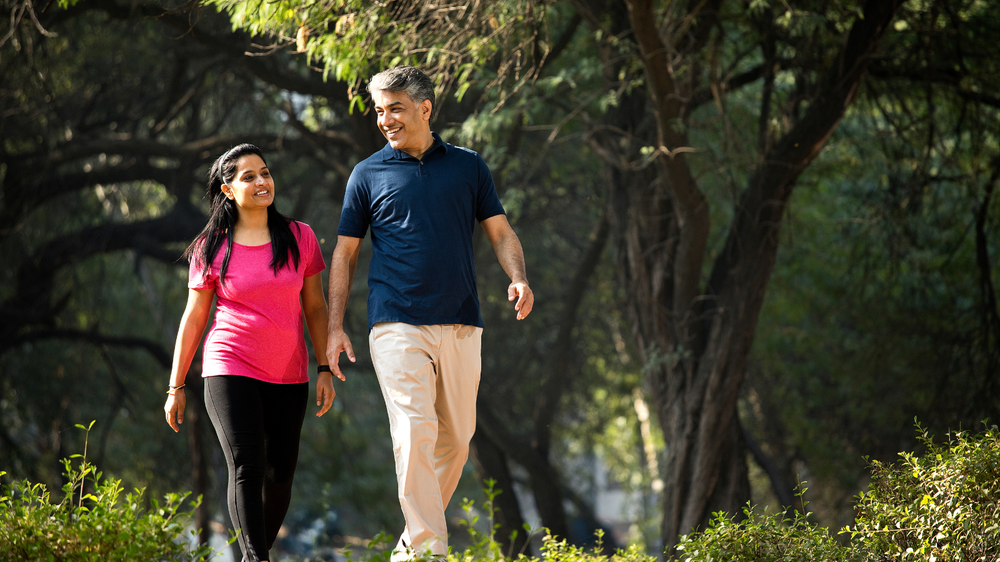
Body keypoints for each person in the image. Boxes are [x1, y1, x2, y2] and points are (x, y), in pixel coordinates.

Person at [326, 65, 534, 561]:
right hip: (395, 322)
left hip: (462, 322)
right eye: (379, 110)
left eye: (394, 107)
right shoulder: (367, 174)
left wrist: (519, 277)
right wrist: (334, 326)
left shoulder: (468, 166)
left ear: (425, 108)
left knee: (456, 441)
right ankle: (427, 552)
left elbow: (501, 233)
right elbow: (344, 253)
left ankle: (407, 548)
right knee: (415, 431)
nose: (385, 119)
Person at [163, 143, 345, 562]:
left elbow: (315, 307)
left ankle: (250, 557)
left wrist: (323, 367)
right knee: (247, 464)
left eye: (265, 173)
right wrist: (175, 385)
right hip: (230, 364)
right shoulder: (211, 246)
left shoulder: (299, 237)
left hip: (288, 372)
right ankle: (260, 559)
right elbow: (194, 318)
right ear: (227, 190)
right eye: (248, 177)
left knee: (280, 473)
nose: (262, 182)